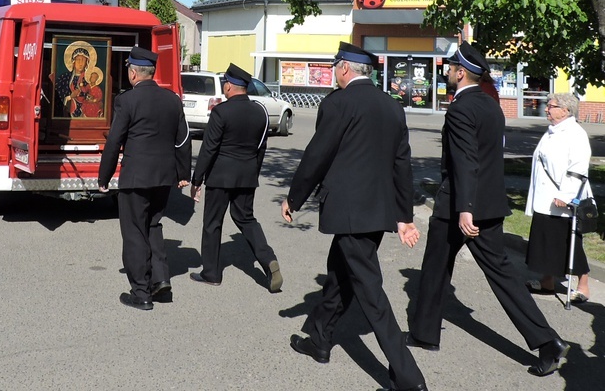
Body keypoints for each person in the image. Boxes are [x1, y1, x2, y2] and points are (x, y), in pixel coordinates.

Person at [407, 41, 569, 377]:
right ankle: (425, 334)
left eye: (452, 67)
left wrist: (466, 208)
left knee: (446, 268)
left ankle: (546, 341)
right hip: (486, 202)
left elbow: (466, 161)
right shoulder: (491, 106)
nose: (448, 71)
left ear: (461, 73)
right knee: (485, 272)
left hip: (461, 205)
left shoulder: (461, 108)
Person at [281, 42, 427, 391]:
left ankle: (409, 378)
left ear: (345, 68)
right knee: (339, 275)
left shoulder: (339, 103)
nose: (334, 71)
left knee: (371, 293)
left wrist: (294, 197)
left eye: (335, 66)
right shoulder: (392, 108)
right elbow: (401, 165)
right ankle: (318, 340)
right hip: (377, 213)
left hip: (349, 211)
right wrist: (403, 215)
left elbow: (318, 154)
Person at [98, 46, 191, 311]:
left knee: (134, 231)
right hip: (164, 178)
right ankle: (161, 282)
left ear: (133, 73)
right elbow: (183, 139)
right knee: (153, 225)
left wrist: (104, 176)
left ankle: (141, 292)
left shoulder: (127, 101)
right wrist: (183, 173)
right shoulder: (172, 99)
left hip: (136, 177)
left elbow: (115, 140)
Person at [189, 63, 282, 293]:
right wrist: (253, 172)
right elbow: (261, 148)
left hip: (220, 176)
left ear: (230, 86)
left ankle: (211, 273)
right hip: (247, 175)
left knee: (213, 223)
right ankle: (268, 259)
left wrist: (197, 179)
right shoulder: (260, 112)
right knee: (246, 219)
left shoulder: (221, 111)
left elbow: (209, 149)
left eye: (225, 85)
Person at [524, 92, 592, 303]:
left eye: (551, 106)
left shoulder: (575, 133)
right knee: (545, 241)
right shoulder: (552, 130)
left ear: (565, 110)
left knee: (568, 242)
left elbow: (578, 167)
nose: (546, 108)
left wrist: (566, 194)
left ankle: (583, 285)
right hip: (545, 199)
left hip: (563, 199)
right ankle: (547, 281)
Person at [55, 47, 90, 117]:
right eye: (78, 60)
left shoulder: (89, 79)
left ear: (87, 63)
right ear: (73, 62)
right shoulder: (64, 78)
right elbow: (58, 97)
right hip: (68, 114)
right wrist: (70, 96)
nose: (80, 63)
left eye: (83, 60)